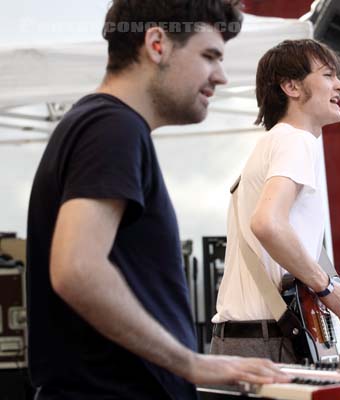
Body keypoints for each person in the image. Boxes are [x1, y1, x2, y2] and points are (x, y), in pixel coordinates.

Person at [26, 1, 289, 399]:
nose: (219, 76)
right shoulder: (112, 127)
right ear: (157, 44)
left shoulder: (103, 124)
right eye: (209, 56)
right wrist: (191, 363)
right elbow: (77, 268)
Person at [210, 39, 340, 362]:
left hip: (247, 339)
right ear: (291, 86)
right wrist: (327, 289)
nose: (339, 85)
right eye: (327, 75)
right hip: (270, 342)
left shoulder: (273, 142)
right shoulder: (296, 140)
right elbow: (267, 223)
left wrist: (335, 312)